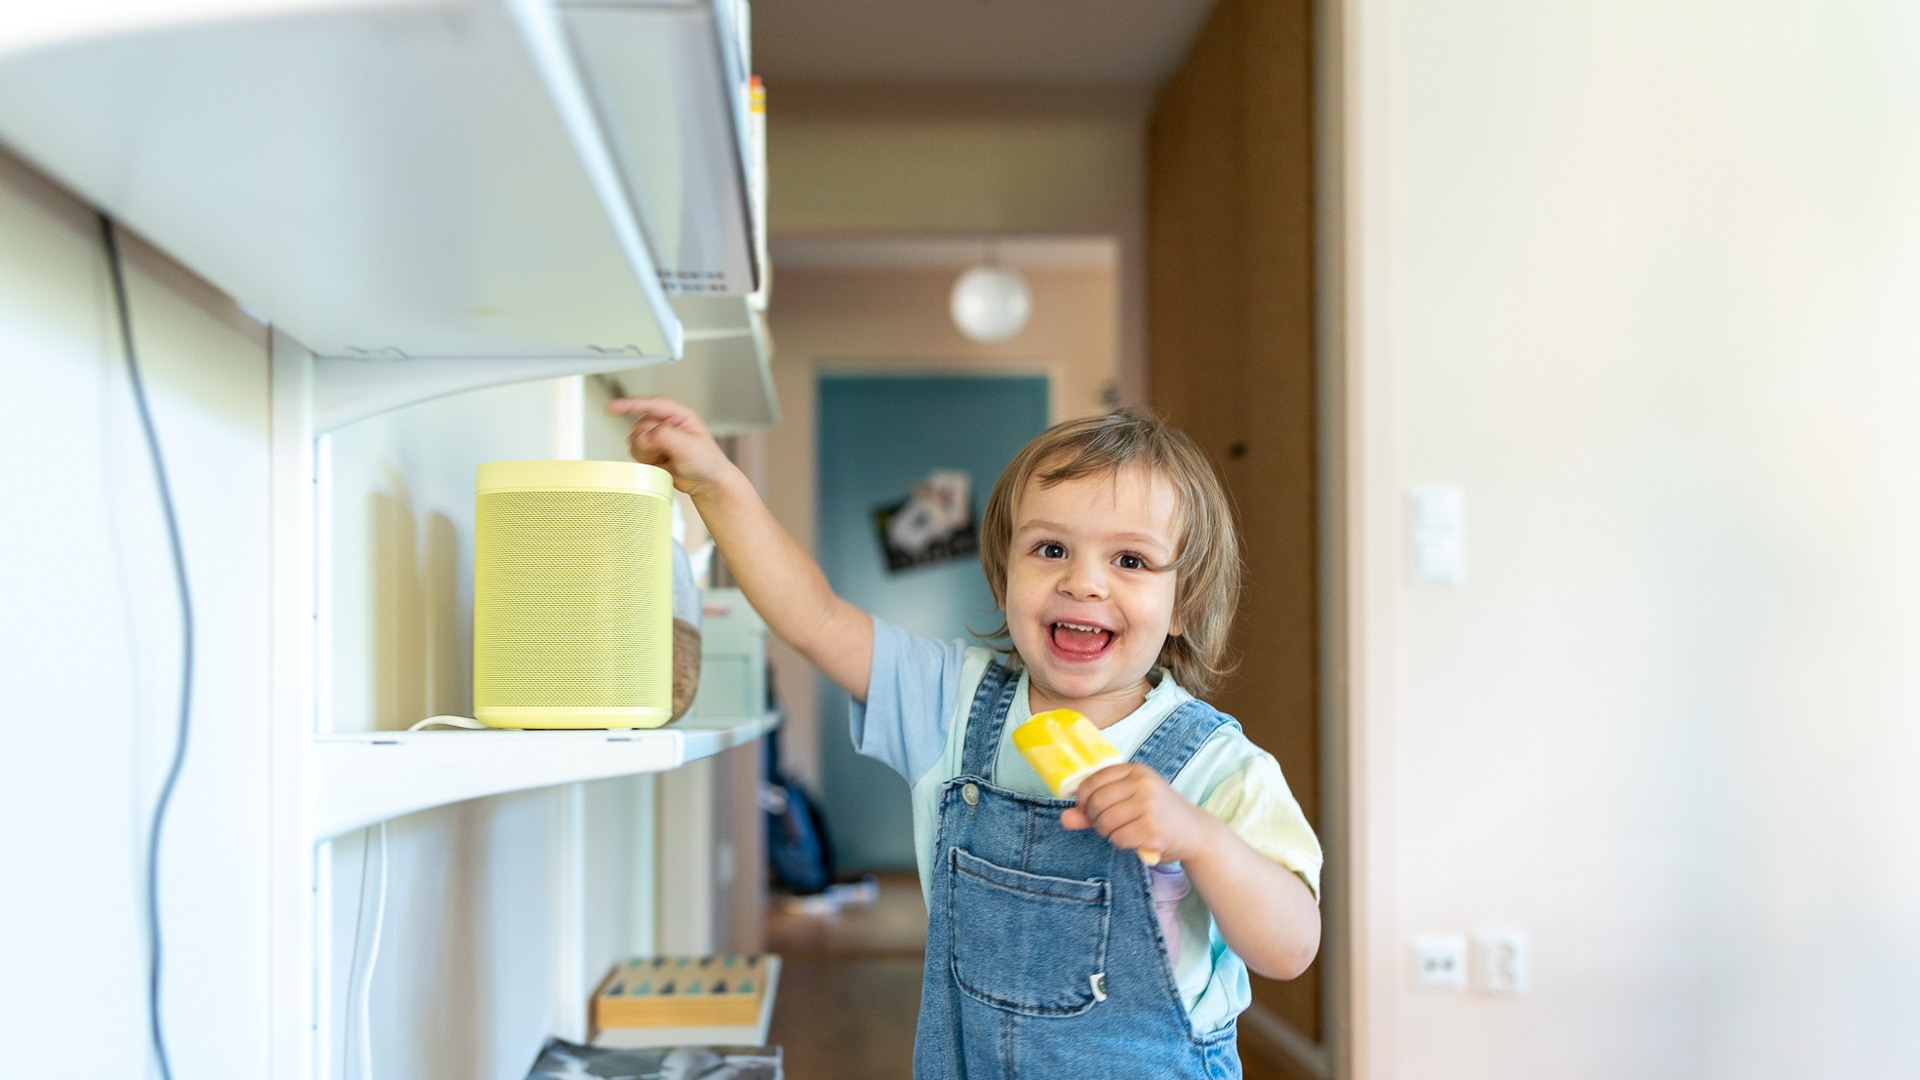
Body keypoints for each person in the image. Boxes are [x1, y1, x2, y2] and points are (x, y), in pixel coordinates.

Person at [609, 396, 1322, 1080]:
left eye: (1130, 561)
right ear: (1003, 571)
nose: (1083, 582)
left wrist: (1201, 838)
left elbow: (1290, 946)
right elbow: (816, 619)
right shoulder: (949, 703)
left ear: (1183, 604)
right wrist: (713, 482)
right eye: (1050, 549)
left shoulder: (1219, 765)